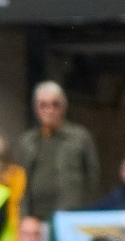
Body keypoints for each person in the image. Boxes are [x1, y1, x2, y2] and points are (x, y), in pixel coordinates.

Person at [14, 82, 100, 223]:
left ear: (63, 108)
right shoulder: (27, 141)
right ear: (36, 109)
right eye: (44, 105)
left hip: (71, 216)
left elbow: (93, 178)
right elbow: (21, 181)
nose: (50, 110)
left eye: (55, 104)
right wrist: (24, 216)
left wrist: (85, 212)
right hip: (37, 219)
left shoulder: (80, 137)